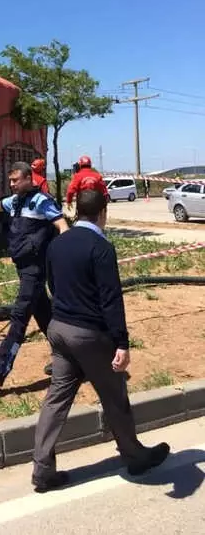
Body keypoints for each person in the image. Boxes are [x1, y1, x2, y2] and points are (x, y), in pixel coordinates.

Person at [31, 189, 170, 493]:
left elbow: (52, 284)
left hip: (59, 329)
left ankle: (42, 469)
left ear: (76, 211)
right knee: (114, 397)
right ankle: (135, 457)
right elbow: (110, 299)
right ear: (103, 212)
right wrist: (121, 342)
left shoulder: (58, 243)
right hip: (90, 335)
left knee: (56, 400)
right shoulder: (101, 247)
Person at [0, 162, 69, 387]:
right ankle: (70, 361)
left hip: (35, 269)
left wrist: (67, 250)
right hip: (23, 267)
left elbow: (61, 223)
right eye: (10, 181)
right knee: (45, 316)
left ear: (29, 179)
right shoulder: (16, 202)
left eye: (16, 180)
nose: (12, 184)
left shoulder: (41, 201)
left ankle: (1, 367)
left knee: (19, 316)